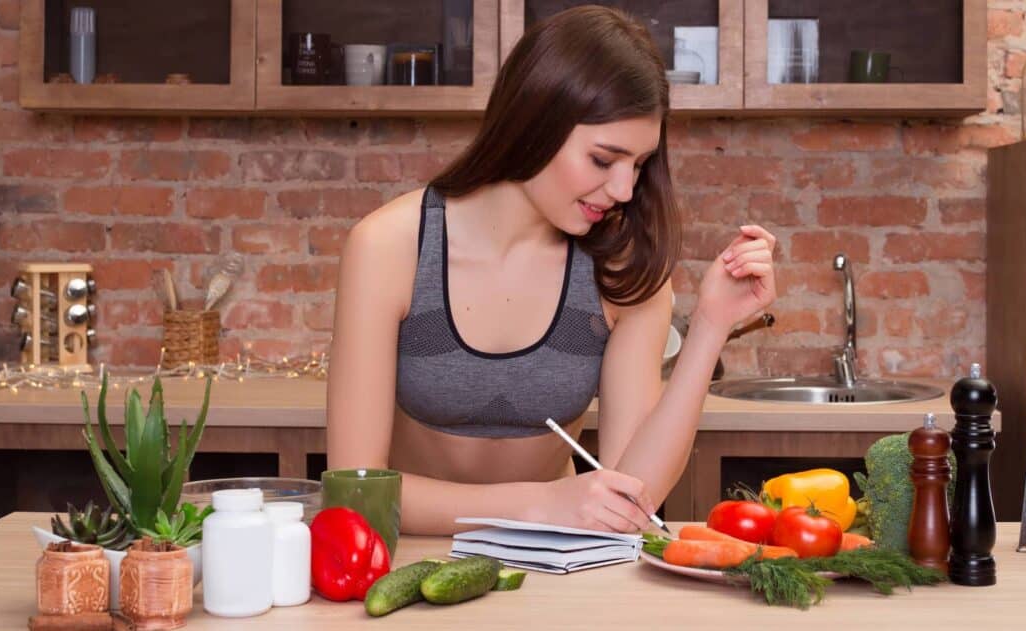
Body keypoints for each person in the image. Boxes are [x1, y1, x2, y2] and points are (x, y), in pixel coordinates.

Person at [327, 5, 776, 535]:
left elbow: (633, 496)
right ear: (535, 122)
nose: (624, 191)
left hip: (557, 564)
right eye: (604, 160)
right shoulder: (388, 247)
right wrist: (538, 505)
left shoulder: (623, 267)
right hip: (413, 557)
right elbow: (355, 494)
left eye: (639, 165)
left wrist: (711, 327)